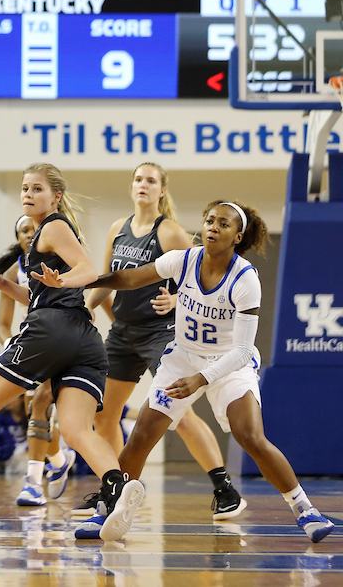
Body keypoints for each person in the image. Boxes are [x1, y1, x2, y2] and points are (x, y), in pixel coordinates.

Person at [74, 201, 334, 543]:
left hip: (229, 363)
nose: (212, 227)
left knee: (250, 436)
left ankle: (305, 510)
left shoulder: (245, 279)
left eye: (222, 224)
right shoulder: (184, 259)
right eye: (209, 220)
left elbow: (242, 351)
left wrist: (201, 379)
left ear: (237, 236)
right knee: (141, 437)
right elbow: (130, 277)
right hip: (184, 356)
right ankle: (106, 509)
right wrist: (85, 281)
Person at [0, 163, 145, 544]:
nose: (27, 194)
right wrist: (3, 284)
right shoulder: (44, 236)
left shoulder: (54, 226)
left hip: (51, 330)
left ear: (55, 196)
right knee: (75, 429)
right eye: (24, 188)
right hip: (83, 339)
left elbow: (87, 270)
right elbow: (43, 293)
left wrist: (64, 280)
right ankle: (115, 488)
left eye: (36, 188)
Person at [75, 162, 242, 521]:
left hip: (161, 334)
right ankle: (116, 488)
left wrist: (178, 301)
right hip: (123, 332)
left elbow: (205, 283)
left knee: (178, 415)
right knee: (105, 415)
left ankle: (224, 488)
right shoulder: (117, 228)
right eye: (138, 179)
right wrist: (85, 308)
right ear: (131, 186)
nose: (143, 185)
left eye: (151, 180)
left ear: (162, 190)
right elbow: (110, 278)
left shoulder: (168, 232)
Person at [0, 215, 74, 508]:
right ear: (19, 237)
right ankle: (60, 460)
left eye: (34, 229)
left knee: (40, 404)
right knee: (35, 413)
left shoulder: (60, 257)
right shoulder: (14, 271)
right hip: (31, 342)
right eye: (24, 230)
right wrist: (9, 343)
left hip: (62, 339)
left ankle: (33, 483)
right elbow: (2, 324)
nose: (30, 234)